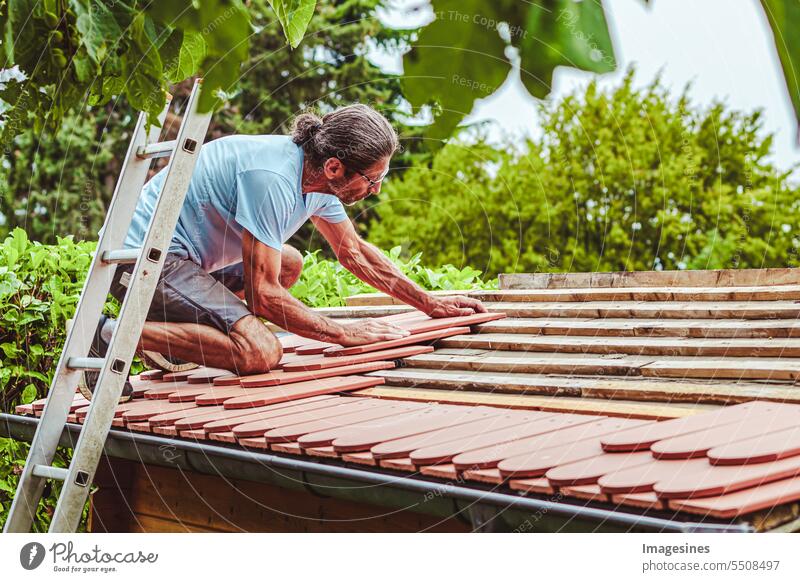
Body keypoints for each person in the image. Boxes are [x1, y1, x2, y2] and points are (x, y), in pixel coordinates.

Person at [80, 104, 486, 402]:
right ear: (334, 167)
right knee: (261, 352)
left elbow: (355, 254)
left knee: (290, 262)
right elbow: (263, 296)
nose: (376, 190)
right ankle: (108, 333)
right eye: (372, 179)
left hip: (178, 263)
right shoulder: (273, 179)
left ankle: (168, 338)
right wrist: (345, 333)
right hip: (139, 263)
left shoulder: (316, 183)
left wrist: (433, 305)